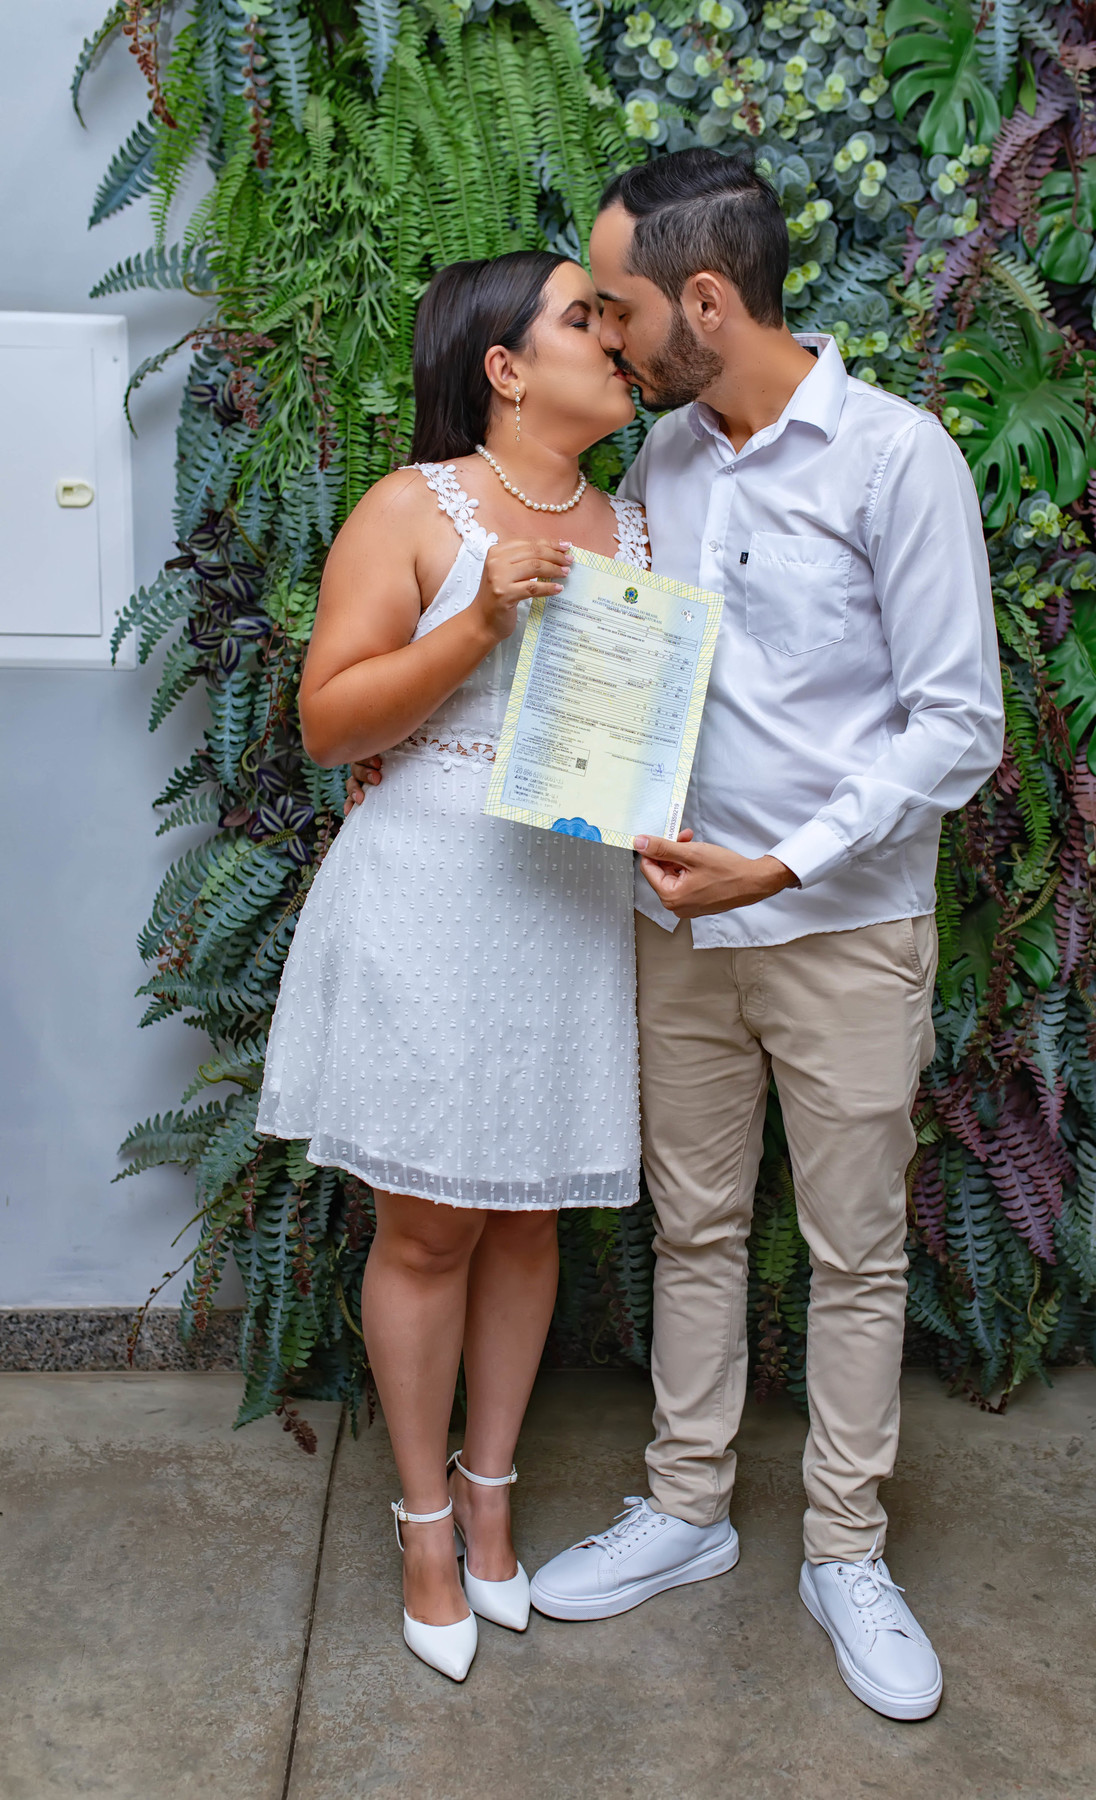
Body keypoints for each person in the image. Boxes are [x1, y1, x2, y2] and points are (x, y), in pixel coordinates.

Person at [348, 150, 1003, 1720]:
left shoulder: (897, 460)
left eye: (620, 307)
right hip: (667, 920)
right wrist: (415, 738)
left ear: (704, 301)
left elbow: (958, 724)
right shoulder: (661, 470)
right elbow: (605, 674)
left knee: (852, 1252)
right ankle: (689, 1507)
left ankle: (847, 1551)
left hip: (839, 920)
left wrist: (778, 867)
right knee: (694, 1229)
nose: (612, 334)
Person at [257, 250, 650, 1683]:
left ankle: (493, 1498)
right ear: (505, 366)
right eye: (583, 318)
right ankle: (425, 1520)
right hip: (429, 899)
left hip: (568, 905)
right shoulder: (412, 510)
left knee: (531, 1217)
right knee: (428, 1227)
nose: (614, 338)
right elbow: (329, 725)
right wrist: (480, 619)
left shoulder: (641, 525)